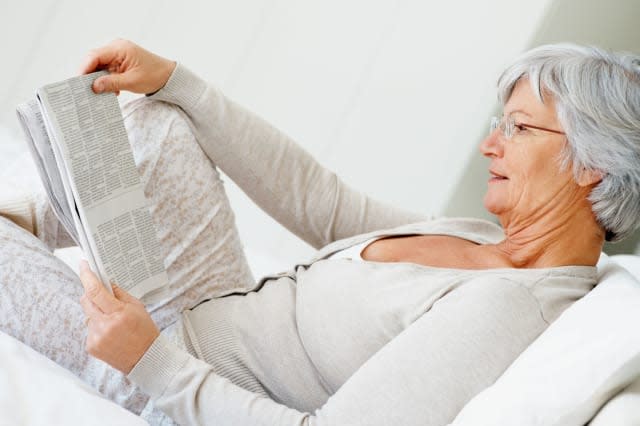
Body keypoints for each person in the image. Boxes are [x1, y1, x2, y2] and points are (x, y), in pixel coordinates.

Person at [1, 39, 639, 426]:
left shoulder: (509, 308)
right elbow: (323, 203)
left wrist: (150, 361)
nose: (489, 145)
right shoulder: (485, 238)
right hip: (204, 309)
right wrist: (176, 79)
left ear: (591, 164)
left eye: (519, 129)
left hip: (173, 382)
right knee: (161, 121)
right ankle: (39, 215)